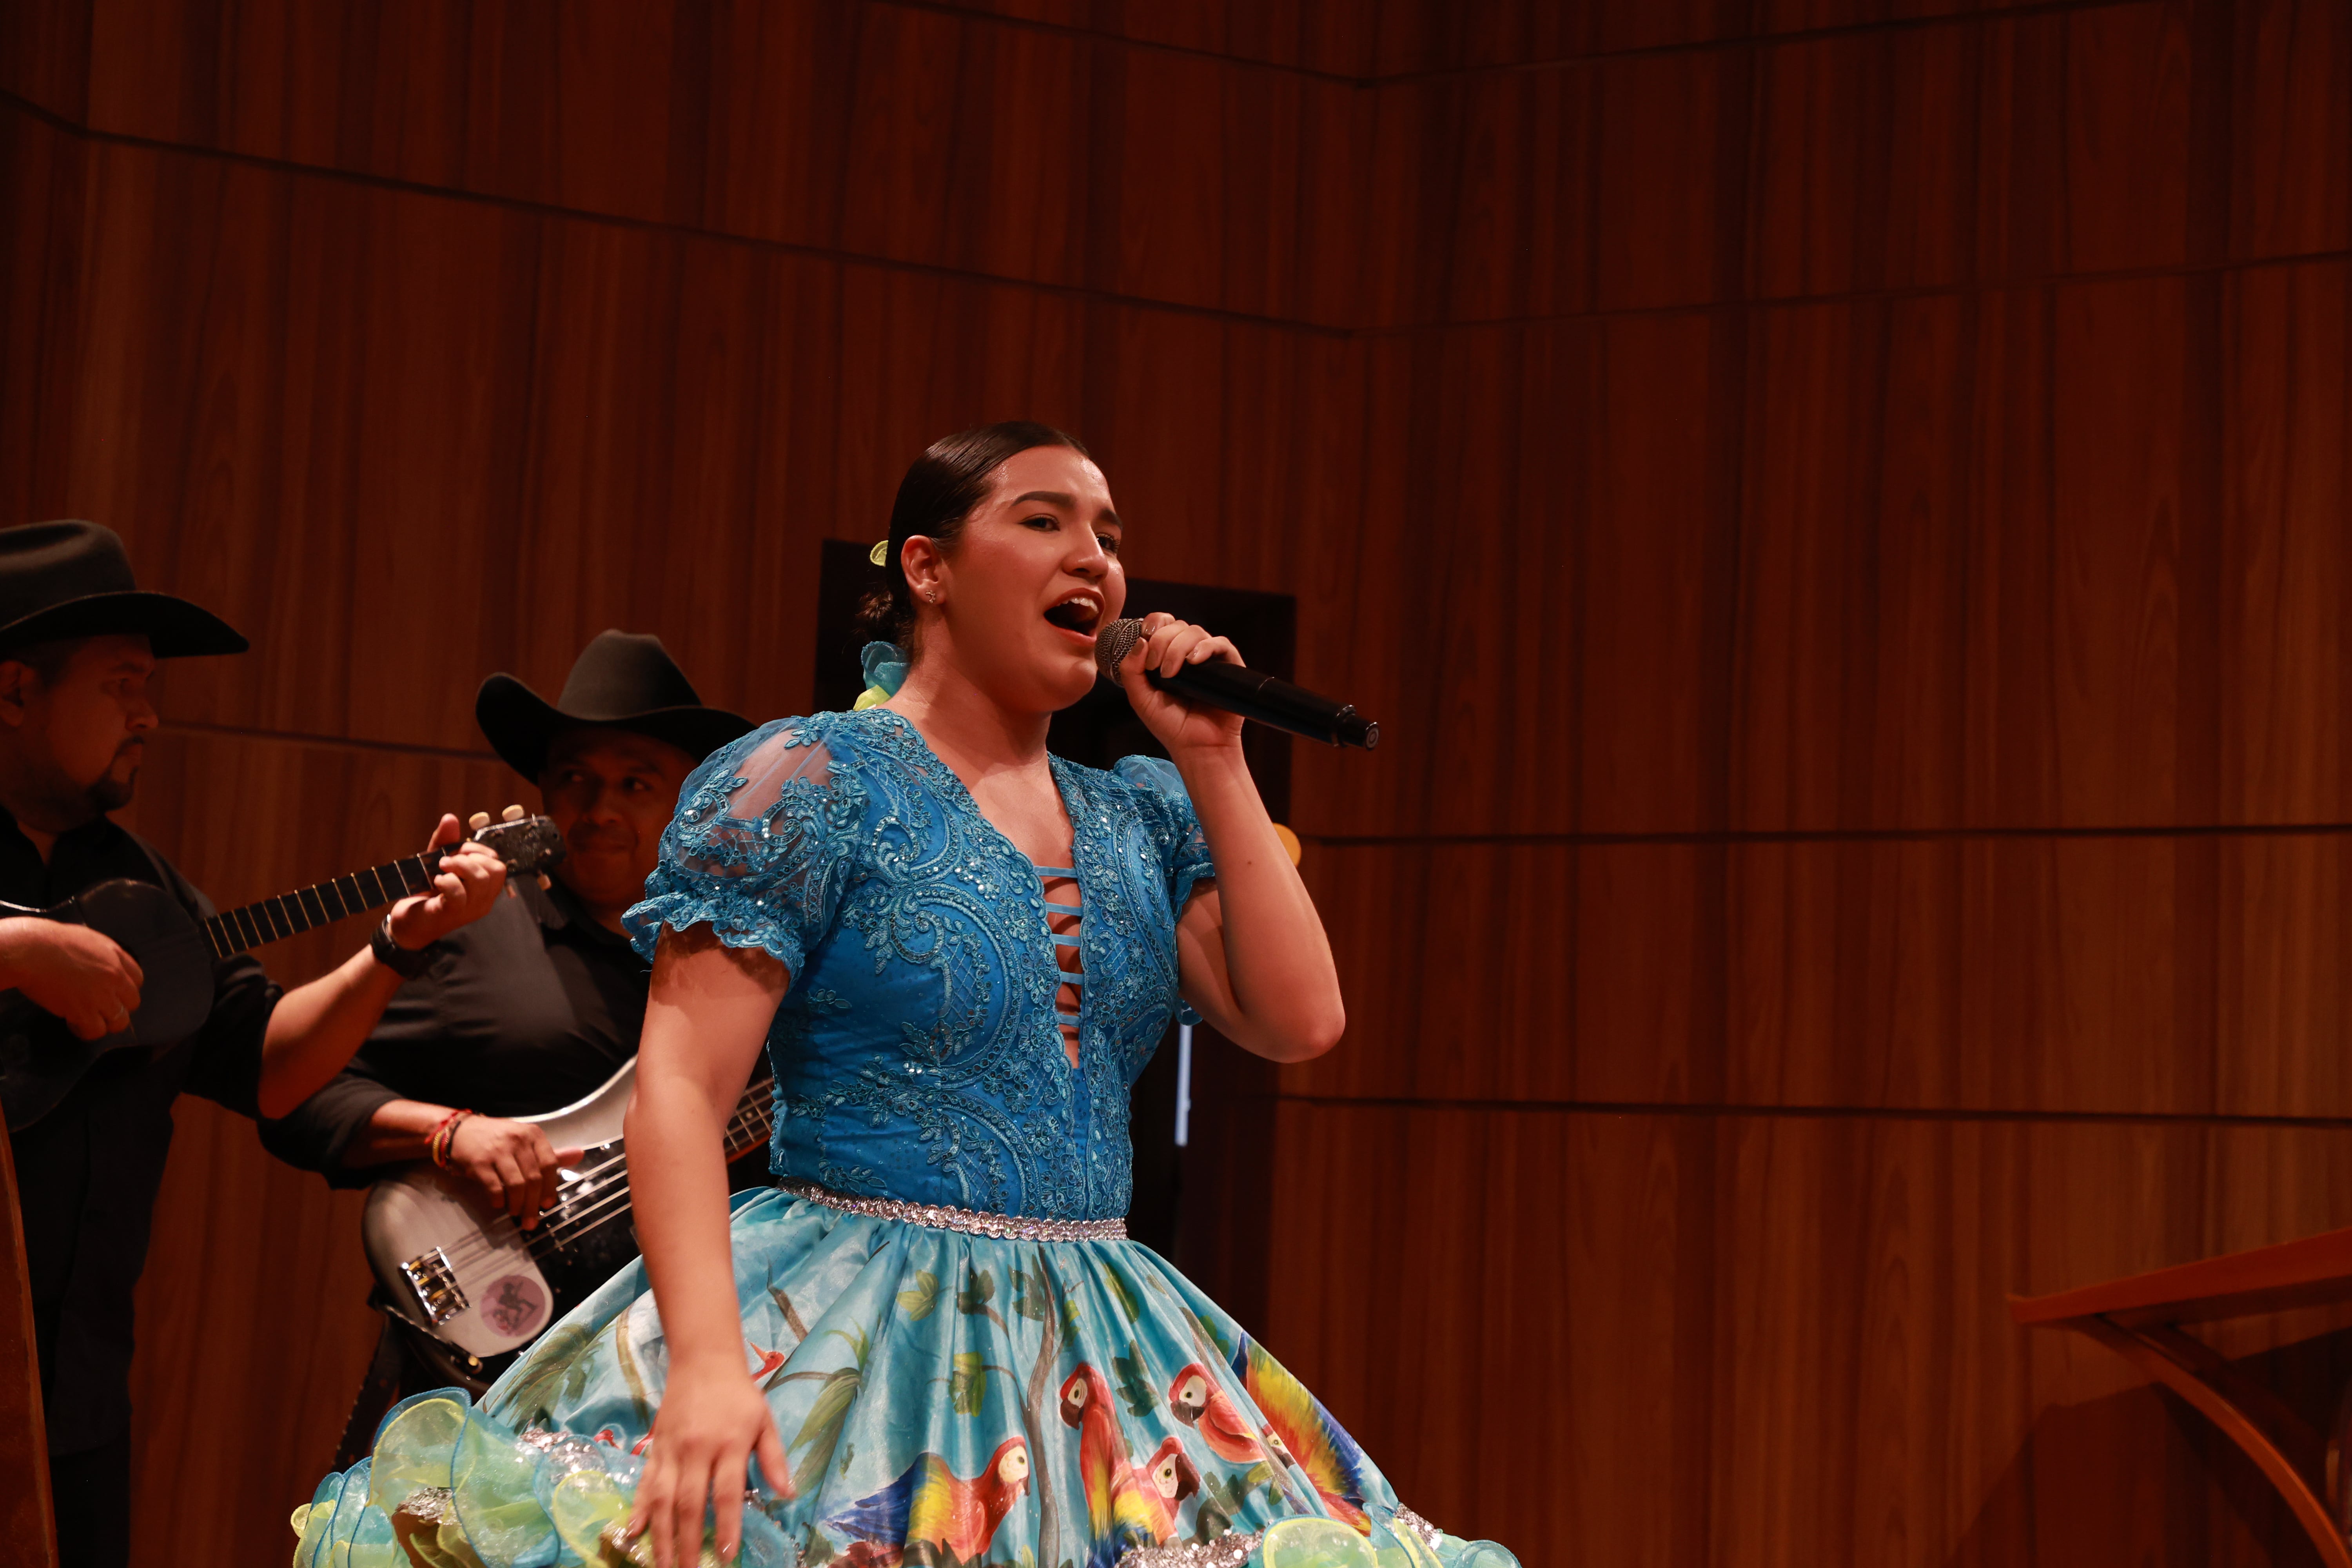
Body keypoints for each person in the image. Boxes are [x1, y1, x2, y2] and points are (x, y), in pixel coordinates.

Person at [290, 427, 1517, 1568]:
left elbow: (1300, 1021)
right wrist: (707, 1363)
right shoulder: (807, 779)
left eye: (1108, 534)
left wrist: (1213, 756)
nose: (1094, 556)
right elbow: (681, 1090)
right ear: (927, 569)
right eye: (1044, 521)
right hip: (844, 1312)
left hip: (1093, 1331)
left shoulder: (1141, 812)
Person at [0, 521, 508, 1568]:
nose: (149, 715)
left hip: (71, 1392)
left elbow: (272, 1065)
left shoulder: (144, 885)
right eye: (122, 685)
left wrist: (398, 948)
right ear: (14, 690)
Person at [262, 631, 756, 1426]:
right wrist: (448, 1133)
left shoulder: (740, 960)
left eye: (635, 783)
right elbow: (299, 1097)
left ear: (689, 804)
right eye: (574, 779)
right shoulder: (469, 931)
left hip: (675, 1375)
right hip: (482, 1379)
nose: (599, 810)